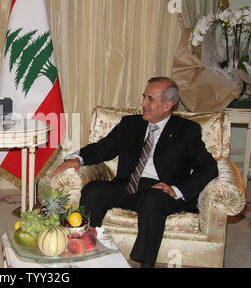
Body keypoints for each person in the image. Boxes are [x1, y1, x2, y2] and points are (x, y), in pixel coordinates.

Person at [53, 77, 218, 268]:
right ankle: (88, 250)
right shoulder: (130, 124)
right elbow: (102, 148)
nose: (143, 104)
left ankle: (145, 263)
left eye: (150, 99)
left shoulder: (187, 130)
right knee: (93, 190)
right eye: (143, 97)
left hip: (161, 192)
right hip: (128, 185)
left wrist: (177, 189)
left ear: (168, 105)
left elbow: (208, 167)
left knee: (151, 200)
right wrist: (77, 158)